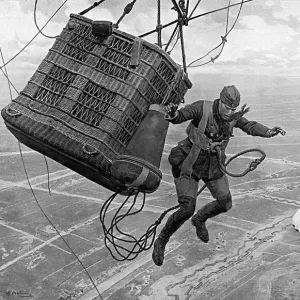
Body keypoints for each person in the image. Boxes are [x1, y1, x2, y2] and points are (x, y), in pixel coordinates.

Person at [152, 85, 286, 266]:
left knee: (225, 203)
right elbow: (181, 116)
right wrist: (174, 114)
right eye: (227, 107)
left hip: (213, 166)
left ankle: (199, 219)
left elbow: (249, 125)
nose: (230, 112)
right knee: (186, 208)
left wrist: (268, 132)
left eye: (234, 109)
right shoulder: (202, 108)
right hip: (189, 163)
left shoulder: (232, 117)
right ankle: (162, 239)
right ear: (220, 100)